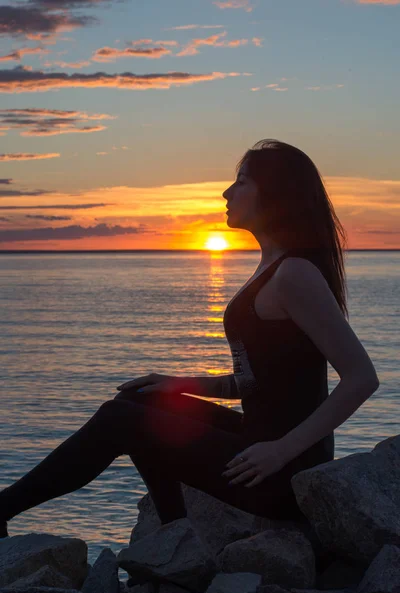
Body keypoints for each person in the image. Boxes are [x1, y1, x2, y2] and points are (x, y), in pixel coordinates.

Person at [0, 139, 380, 539]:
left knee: (119, 418)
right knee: (140, 400)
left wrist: (281, 450)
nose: (227, 193)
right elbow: (257, 383)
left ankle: (4, 508)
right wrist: (177, 384)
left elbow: (361, 378)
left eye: (241, 182)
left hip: (280, 473)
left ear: (276, 192)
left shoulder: (294, 274)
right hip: (258, 446)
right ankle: (175, 532)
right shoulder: (272, 268)